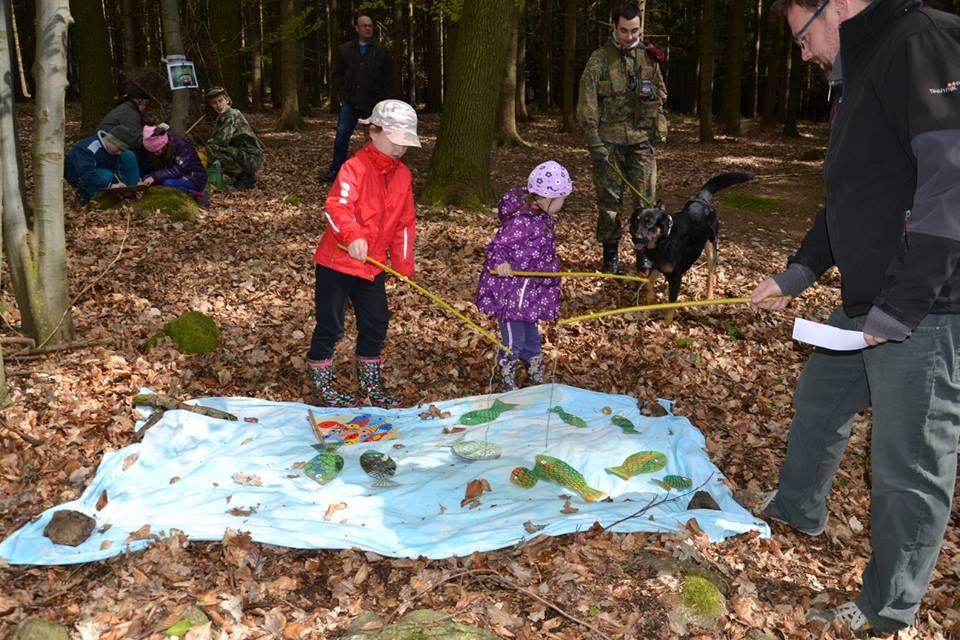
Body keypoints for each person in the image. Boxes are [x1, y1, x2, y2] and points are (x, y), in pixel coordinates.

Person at [750, 0, 960, 635]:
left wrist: (900, 309)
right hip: (868, 299)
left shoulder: (920, 45)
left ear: (835, 7)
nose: (805, 52)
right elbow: (852, 193)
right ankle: (797, 507)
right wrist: (798, 272)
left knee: (906, 464)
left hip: (923, 306)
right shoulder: (859, 64)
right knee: (819, 398)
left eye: (802, 36)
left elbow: (950, 184)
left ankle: (887, 609)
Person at [307, 99, 420, 407]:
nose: (399, 149)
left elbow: (405, 224)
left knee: (376, 322)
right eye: (395, 141)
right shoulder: (354, 168)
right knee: (330, 324)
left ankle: (370, 387)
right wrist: (352, 235)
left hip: (371, 268)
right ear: (373, 132)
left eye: (405, 144)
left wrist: (403, 264)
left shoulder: (403, 176)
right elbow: (336, 208)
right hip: (337, 263)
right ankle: (322, 388)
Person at [577, 2, 668, 274]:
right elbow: (587, 99)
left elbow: (661, 93)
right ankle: (611, 256)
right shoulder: (599, 59)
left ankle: (645, 255)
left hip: (641, 141)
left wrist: (659, 122)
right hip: (609, 143)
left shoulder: (649, 57)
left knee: (646, 201)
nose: (630, 36)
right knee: (609, 203)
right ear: (614, 27)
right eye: (625, 30)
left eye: (635, 30)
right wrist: (592, 136)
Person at [474, 161, 571, 392]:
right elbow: (498, 246)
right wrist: (502, 263)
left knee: (532, 339)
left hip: (531, 291)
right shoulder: (521, 221)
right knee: (513, 340)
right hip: (512, 293)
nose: (562, 204)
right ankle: (506, 376)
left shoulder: (543, 219)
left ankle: (534, 372)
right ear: (547, 197)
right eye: (561, 199)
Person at [320, 14, 393, 183]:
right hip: (350, 101)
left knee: (375, 138)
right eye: (364, 25)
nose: (368, 28)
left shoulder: (381, 50)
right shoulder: (345, 49)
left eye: (370, 26)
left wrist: (385, 100)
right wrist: (343, 93)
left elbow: (389, 78)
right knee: (342, 135)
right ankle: (335, 170)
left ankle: (378, 172)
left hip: (374, 102)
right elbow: (337, 74)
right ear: (357, 28)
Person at [204, 86, 263, 190]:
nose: (218, 105)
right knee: (211, 149)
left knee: (211, 149)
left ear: (227, 100)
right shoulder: (221, 117)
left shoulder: (232, 115)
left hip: (250, 158)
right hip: (241, 154)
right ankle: (236, 174)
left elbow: (221, 141)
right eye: (214, 103)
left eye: (220, 100)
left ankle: (243, 175)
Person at [64, 124, 141, 204]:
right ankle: (85, 193)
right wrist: (110, 186)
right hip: (80, 178)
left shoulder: (112, 151)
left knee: (128, 155)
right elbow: (86, 173)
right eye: (119, 149)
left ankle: (131, 191)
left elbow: (116, 168)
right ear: (112, 141)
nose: (119, 152)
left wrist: (121, 182)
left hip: (102, 173)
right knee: (106, 175)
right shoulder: (88, 148)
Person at [139, 124, 208, 204]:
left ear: (164, 145)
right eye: (153, 152)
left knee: (168, 183)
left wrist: (154, 176)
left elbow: (179, 169)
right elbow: (155, 169)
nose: (155, 154)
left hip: (194, 177)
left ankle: (196, 194)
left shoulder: (181, 146)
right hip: (173, 175)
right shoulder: (160, 149)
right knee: (148, 178)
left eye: (157, 151)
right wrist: (146, 178)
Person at [98, 85, 150, 153]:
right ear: (139, 102)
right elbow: (136, 141)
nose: (145, 107)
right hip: (108, 147)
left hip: (108, 143)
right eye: (145, 103)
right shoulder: (129, 112)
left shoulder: (126, 108)